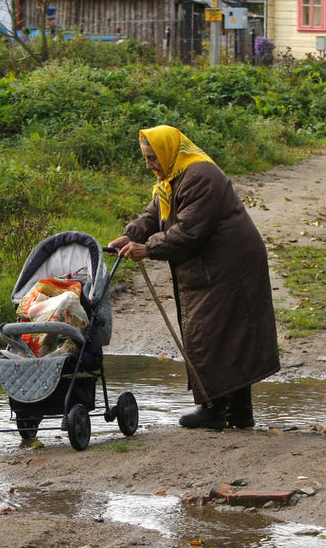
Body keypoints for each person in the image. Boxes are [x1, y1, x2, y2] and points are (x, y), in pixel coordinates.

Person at [109, 125, 280, 429]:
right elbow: (155, 215)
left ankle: (213, 409)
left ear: (167, 152)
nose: (149, 165)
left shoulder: (200, 176)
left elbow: (188, 232)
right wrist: (129, 236)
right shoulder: (173, 176)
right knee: (228, 333)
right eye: (147, 158)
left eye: (152, 158)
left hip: (230, 266)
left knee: (209, 332)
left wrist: (147, 248)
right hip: (218, 263)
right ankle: (239, 412)